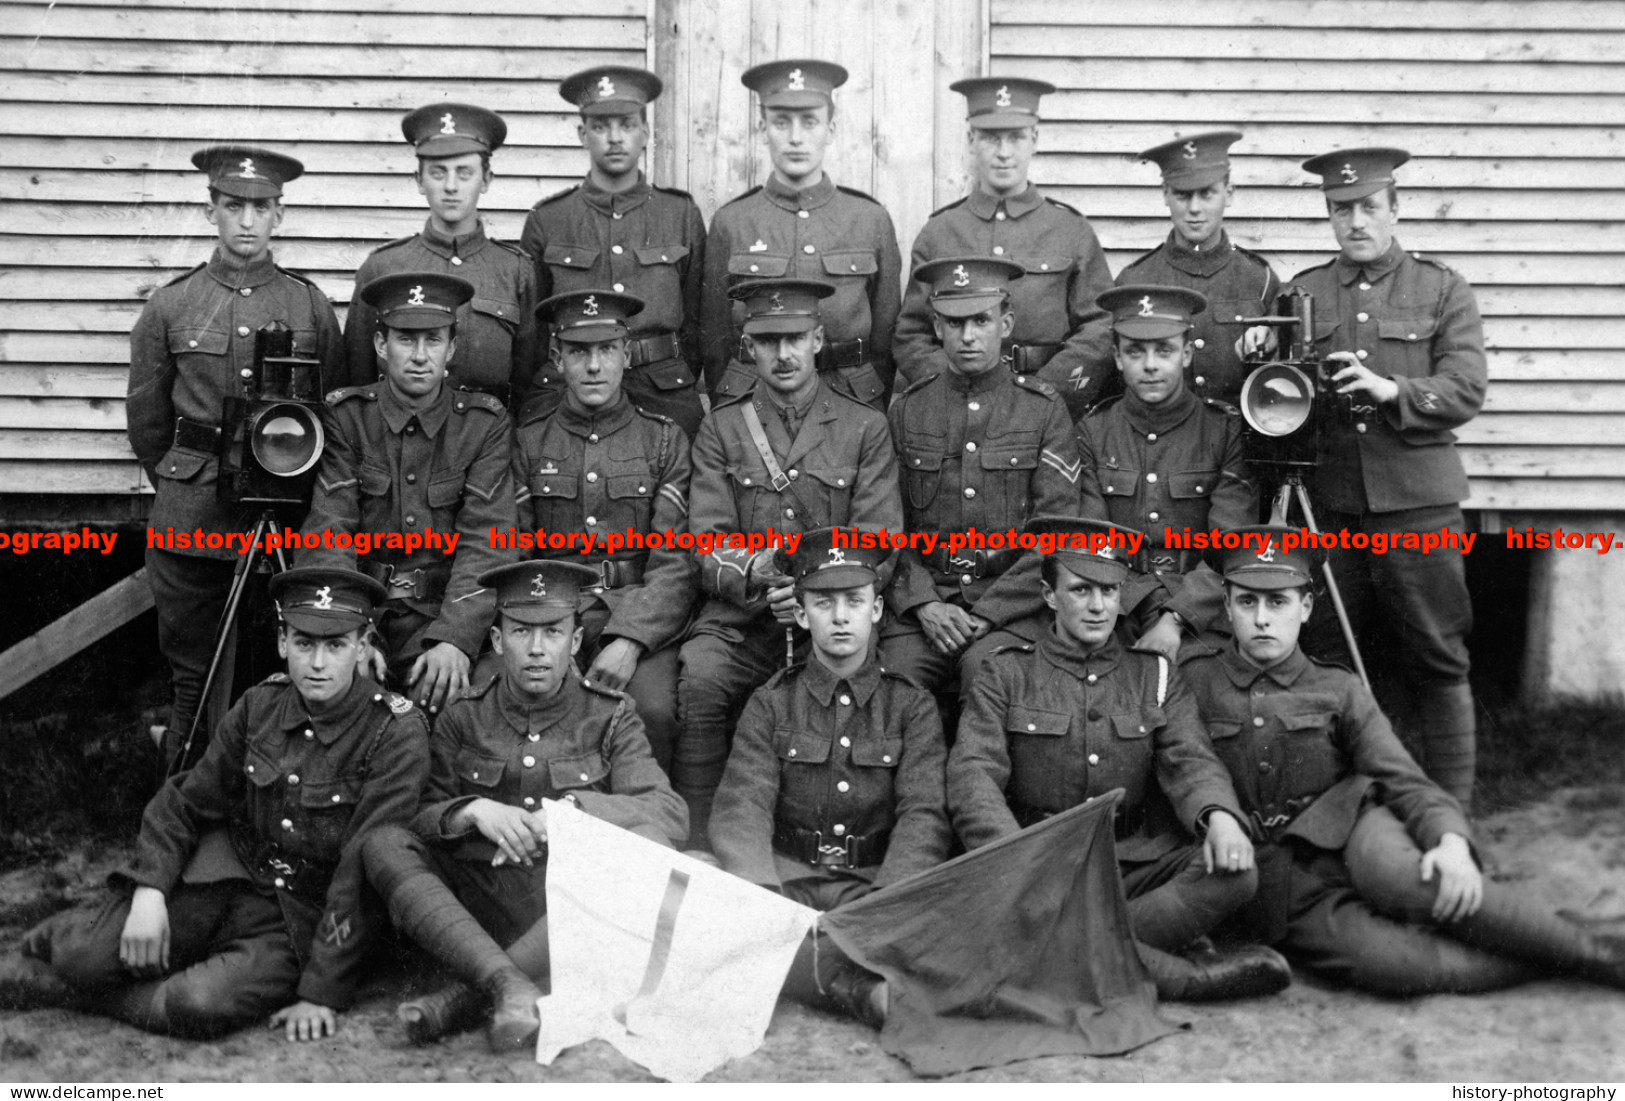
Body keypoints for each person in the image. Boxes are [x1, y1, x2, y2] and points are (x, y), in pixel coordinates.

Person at [1184, 527, 1625, 994]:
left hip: (1356, 829)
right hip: (1279, 878)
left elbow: (1403, 779)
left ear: (1306, 608)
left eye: (1279, 603)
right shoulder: (1193, 683)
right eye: (1248, 602)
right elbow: (1184, 768)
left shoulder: (1338, 688)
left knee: (1417, 882)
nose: (1263, 619)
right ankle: (1554, 946)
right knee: (1395, 966)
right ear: (1227, 608)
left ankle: (1602, 957)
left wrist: (1450, 839)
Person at [0, 569, 428, 1040]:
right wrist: (150, 892)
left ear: (365, 644)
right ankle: (58, 946)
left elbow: (361, 873)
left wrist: (321, 990)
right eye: (304, 643)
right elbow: (186, 801)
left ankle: (67, 993)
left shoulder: (394, 733)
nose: (318, 663)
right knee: (83, 957)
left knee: (195, 1005)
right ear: (283, 641)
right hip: (225, 880)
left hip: (300, 919)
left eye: (336, 645)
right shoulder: (260, 705)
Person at [948, 516, 1290, 1001]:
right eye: (1081, 590)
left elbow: (1190, 760)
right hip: (1037, 862)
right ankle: (1181, 978)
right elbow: (973, 776)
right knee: (996, 902)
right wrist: (1020, 861)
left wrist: (1219, 817)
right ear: (1049, 596)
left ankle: (1064, 952)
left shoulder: (1152, 675)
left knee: (1236, 873)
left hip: (1127, 863)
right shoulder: (1004, 672)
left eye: (1110, 592)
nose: (1097, 606)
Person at [362, 560, 687, 1051]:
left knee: (651, 850)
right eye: (521, 632)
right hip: (481, 905)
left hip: (571, 905)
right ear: (496, 641)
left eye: (553, 632)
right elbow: (419, 814)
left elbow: (666, 811)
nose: (537, 649)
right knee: (385, 844)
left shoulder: (610, 714)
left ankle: (469, 993)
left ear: (575, 642)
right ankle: (511, 984)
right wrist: (471, 810)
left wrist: (573, 812)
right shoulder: (464, 714)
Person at [127, 144, 343, 767]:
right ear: (211, 211)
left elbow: (331, 413)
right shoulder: (171, 306)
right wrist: (187, 480)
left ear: (279, 215)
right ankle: (181, 814)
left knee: (282, 673)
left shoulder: (309, 306)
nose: (247, 221)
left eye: (261, 207)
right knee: (192, 678)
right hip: (191, 528)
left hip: (284, 523)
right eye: (233, 206)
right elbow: (148, 423)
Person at [1289, 147, 1486, 806]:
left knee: (1436, 654)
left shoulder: (1440, 288)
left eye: (1367, 207)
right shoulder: (1304, 293)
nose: (1354, 222)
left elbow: (1463, 388)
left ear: (1394, 208)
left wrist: (1386, 387)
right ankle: (1339, 810)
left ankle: (1452, 815)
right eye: (1340, 209)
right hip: (1332, 508)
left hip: (1417, 504)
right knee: (1326, 656)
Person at [676, 278, 904, 843]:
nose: (783, 354)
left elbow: (880, 541)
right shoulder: (721, 427)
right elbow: (705, 539)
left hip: (832, 616)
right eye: (767, 340)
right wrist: (757, 576)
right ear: (747, 346)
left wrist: (812, 595)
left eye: (795, 338)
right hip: (742, 620)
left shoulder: (864, 426)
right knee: (700, 679)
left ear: (819, 338)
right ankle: (701, 840)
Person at [711, 528, 949, 1027]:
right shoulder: (771, 702)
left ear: (877, 610)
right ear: (800, 615)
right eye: (823, 603)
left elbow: (923, 814)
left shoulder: (911, 706)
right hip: (787, 881)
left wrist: (888, 899)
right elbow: (742, 806)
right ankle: (856, 989)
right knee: (701, 899)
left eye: (854, 601)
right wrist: (763, 895)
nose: (840, 617)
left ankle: (795, 968)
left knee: (949, 921)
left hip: (870, 888)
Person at [963, 285, 1256, 674]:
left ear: (1186, 354)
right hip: (1114, 603)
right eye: (1135, 351)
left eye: (1164, 350)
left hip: (1196, 606)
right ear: (1117, 358)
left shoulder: (1224, 430)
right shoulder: (1093, 431)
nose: (1150, 365)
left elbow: (1229, 543)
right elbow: (1090, 538)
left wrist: (1174, 620)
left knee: (1203, 675)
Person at [298, 272, 516, 716]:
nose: (419, 356)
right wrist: (350, 636)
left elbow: (488, 544)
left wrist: (454, 639)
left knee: (462, 714)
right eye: (405, 339)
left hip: (441, 618)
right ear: (381, 345)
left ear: (451, 349)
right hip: (365, 617)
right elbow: (329, 530)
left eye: (433, 340)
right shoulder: (348, 418)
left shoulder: (482, 425)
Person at [512, 289, 696, 770]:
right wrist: (548, 632)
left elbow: (674, 563)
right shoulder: (530, 441)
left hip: (634, 612)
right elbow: (514, 550)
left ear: (626, 354)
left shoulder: (662, 440)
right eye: (578, 352)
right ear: (558, 357)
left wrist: (631, 640)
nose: (594, 366)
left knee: (654, 710)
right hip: (550, 613)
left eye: (606, 350)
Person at [880, 257, 1081, 696]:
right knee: (895, 682)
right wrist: (924, 603)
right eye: (954, 323)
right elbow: (889, 529)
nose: (967, 336)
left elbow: (1056, 533)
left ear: (1006, 324)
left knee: (987, 675)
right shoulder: (908, 409)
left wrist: (990, 613)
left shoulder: (1043, 410)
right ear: (936, 327)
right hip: (925, 607)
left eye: (981, 321)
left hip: (1011, 610)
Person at [893, 78, 1115, 419]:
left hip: (1047, 409)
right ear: (971, 140)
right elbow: (911, 334)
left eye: (1016, 137)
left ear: (1035, 140)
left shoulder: (1071, 231)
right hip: (957, 410)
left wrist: (1047, 395)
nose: (1004, 152)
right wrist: (953, 389)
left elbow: (1100, 327)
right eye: (990, 138)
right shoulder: (939, 233)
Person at [698, 59, 902, 411]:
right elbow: (715, 341)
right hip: (753, 402)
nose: (795, 137)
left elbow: (885, 340)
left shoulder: (870, 220)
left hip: (851, 401)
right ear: (763, 129)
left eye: (809, 122)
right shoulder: (733, 222)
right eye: (781, 122)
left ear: (831, 128)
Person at [519, 68, 706, 437]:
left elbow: (699, 322)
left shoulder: (679, 214)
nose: (616, 138)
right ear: (582, 135)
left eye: (627, 124)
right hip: (569, 394)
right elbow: (532, 333)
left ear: (646, 133)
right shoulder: (549, 219)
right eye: (602, 126)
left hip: (663, 390)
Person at [341, 103, 539, 409]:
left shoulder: (515, 271)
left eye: (464, 173)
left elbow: (531, 380)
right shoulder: (382, 268)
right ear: (419, 180)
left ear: (485, 179)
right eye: (438, 173)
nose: (450, 187)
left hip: (489, 445)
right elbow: (357, 377)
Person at [1116, 130, 1280, 408]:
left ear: (1228, 194)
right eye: (1182, 194)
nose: (1194, 208)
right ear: (1165, 195)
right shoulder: (1134, 280)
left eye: (1206, 194)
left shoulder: (1259, 278)